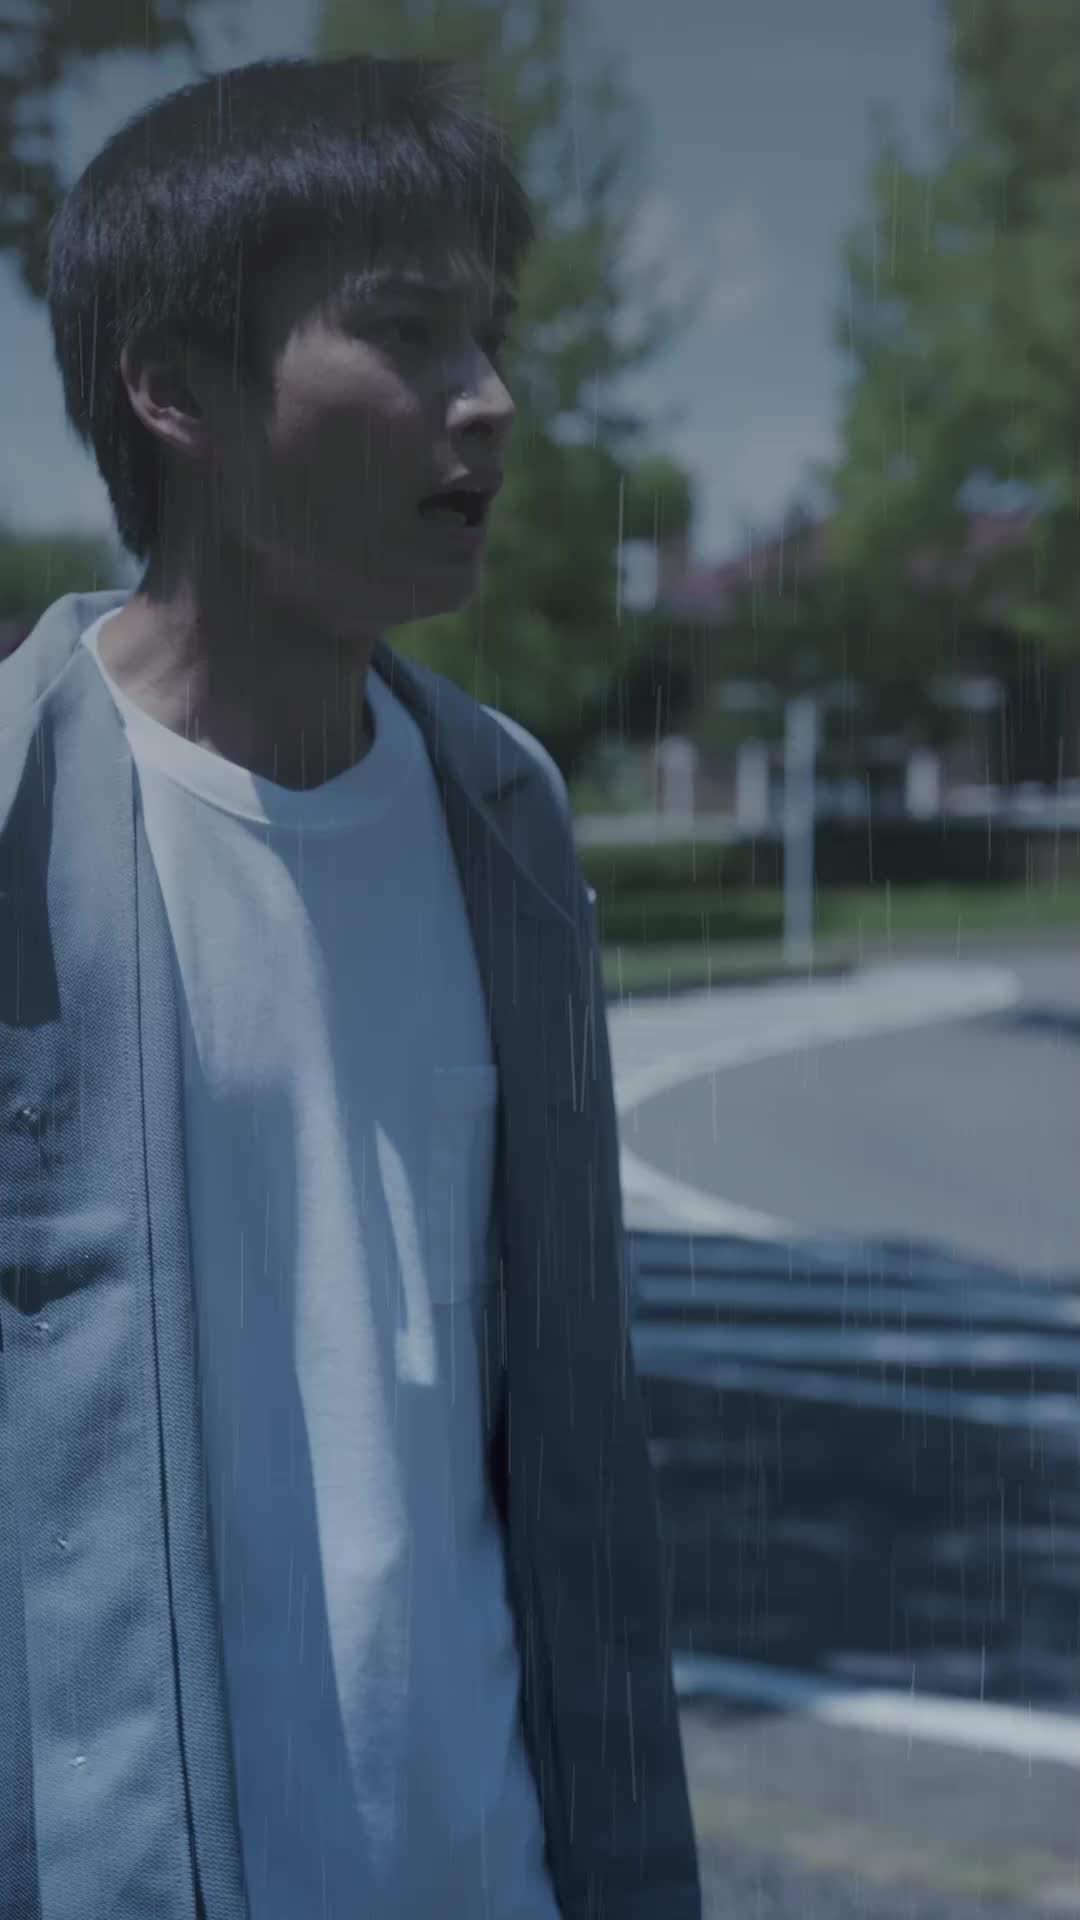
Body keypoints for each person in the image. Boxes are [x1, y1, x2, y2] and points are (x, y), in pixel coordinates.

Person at [0, 54, 700, 1920]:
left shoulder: (505, 821)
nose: (489, 399)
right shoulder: (13, 827)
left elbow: (572, 1460)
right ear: (173, 386)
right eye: (404, 330)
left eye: (493, 333)